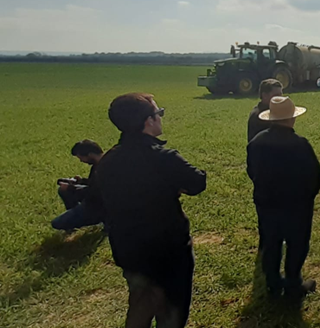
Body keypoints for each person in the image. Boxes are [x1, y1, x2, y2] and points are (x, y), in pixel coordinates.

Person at [94, 93, 206, 328]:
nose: (161, 117)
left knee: (140, 305)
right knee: (172, 311)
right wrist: (173, 186)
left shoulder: (107, 161)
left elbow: (97, 203)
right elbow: (197, 182)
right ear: (149, 121)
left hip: (129, 250)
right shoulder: (164, 158)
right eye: (159, 113)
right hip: (168, 252)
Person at [247, 96, 320, 299]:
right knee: (297, 244)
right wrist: (307, 197)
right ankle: (293, 283)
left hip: (266, 203)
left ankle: (272, 283)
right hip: (297, 206)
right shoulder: (300, 145)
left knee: (271, 243)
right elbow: (314, 177)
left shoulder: (256, 142)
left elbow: (252, 171)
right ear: (292, 118)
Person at [52, 140, 104, 231]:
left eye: (81, 158)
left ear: (90, 154)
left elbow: (94, 193)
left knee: (56, 223)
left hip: (99, 206)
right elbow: (94, 184)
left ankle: (103, 220)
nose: (81, 161)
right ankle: (76, 217)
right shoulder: (99, 164)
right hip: (95, 201)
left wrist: (71, 188)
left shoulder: (103, 168)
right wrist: (81, 181)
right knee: (63, 191)